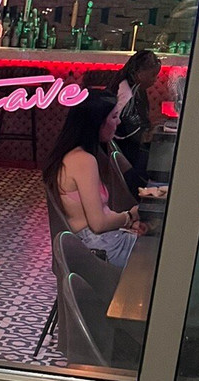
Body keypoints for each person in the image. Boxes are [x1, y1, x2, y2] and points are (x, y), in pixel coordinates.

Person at [43, 92, 140, 268]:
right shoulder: (84, 161)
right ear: (96, 123)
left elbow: (101, 216)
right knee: (159, 251)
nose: (118, 122)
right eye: (114, 117)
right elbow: (98, 224)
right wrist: (130, 216)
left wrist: (129, 222)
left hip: (96, 241)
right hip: (99, 247)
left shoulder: (74, 156)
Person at [108, 50, 161, 192]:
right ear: (139, 73)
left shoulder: (136, 87)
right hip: (122, 149)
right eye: (153, 75)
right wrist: (146, 135)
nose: (155, 79)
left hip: (130, 146)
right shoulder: (125, 92)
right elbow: (122, 126)